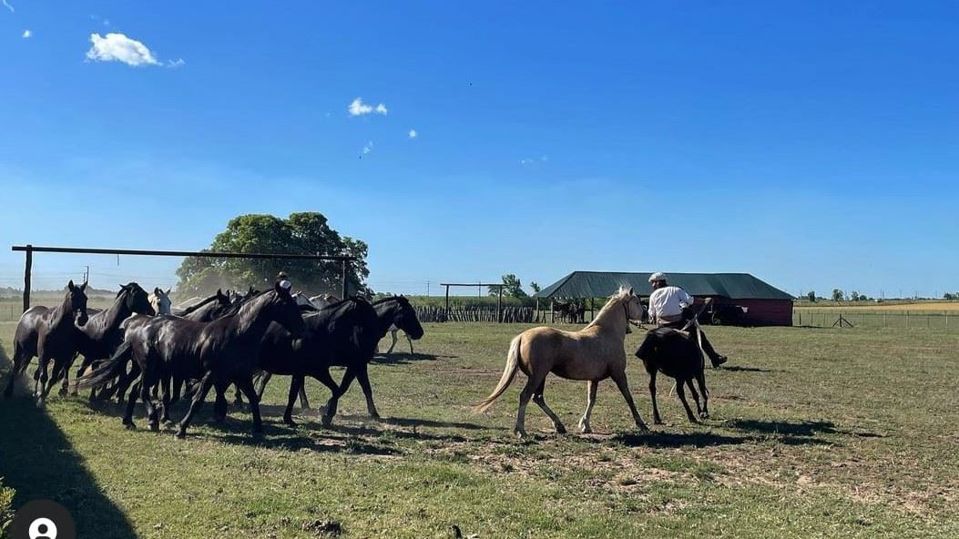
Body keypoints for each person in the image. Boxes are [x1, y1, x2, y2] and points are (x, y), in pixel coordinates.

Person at [646, 272, 728, 367]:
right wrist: (704, 300)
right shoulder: (676, 290)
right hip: (679, 324)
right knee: (699, 335)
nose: (652, 285)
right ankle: (714, 358)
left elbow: (651, 314)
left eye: (653, 282)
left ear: (658, 282)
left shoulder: (653, 295)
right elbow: (690, 300)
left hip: (662, 326)